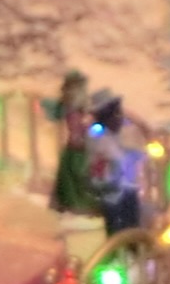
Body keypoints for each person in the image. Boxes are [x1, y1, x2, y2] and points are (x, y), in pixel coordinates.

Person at [44, 70, 102, 218]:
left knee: (83, 176)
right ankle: (75, 207)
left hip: (83, 146)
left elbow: (90, 126)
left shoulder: (83, 107)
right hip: (76, 147)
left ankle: (85, 207)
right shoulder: (69, 107)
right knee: (73, 177)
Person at [87, 90, 143, 238]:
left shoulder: (121, 129)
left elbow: (140, 128)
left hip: (128, 187)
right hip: (109, 190)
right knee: (115, 228)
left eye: (119, 113)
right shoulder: (96, 133)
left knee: (132, 226)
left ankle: (132, 246)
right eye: (115, 114)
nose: (119, 118)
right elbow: (105, 158)